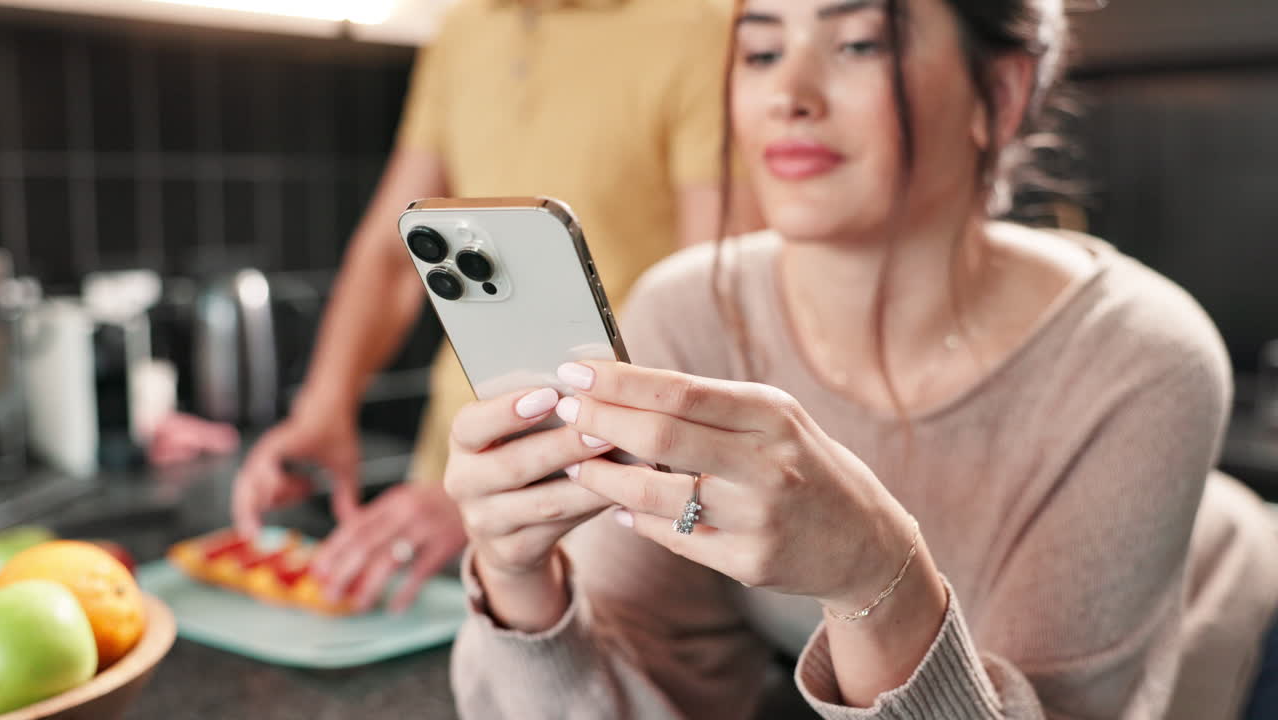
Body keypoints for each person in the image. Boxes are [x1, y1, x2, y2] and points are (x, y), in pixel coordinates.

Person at [444, 0, 1278, 717]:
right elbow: (652, 685)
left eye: (856, 44)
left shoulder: (1143, 359)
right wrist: (521, 581)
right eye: (762, 51)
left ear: (999, 92)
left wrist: (875, 573)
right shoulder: (688, 311)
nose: (788, 97)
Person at [231, 0, 751, 613]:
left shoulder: (700, 29)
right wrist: (324, 407)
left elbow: (711, 303)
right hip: (449, 479)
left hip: (608, 505)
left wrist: (525, 480)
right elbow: (396, 254)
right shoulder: (462, 30)